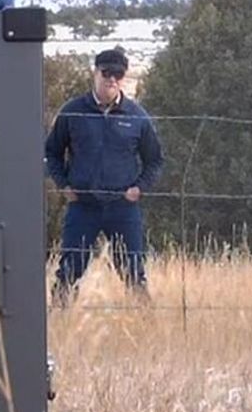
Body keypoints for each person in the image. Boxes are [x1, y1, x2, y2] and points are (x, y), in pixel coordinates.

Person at [44, 48, 163, 306]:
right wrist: (63, 185)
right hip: (83, 206)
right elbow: (52, 152)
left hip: (123, 207)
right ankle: (58, 322)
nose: (112, 79)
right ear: (95, 73)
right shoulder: (72, 112)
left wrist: (139, 188)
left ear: (124, 78)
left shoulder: (138, 117)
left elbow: (154, 161)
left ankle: (146, 326)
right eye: (106, 72)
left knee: (133, 272)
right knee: (69, 271)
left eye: (118, 74)